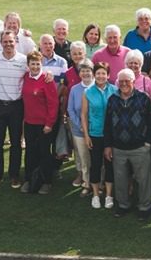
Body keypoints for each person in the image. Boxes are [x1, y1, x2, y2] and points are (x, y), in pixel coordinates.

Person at [104, 69, 151, 221]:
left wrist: (147, 143)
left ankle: (145, 207)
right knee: (120, 179)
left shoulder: (143, 98)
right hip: (118, 147)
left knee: (143, 179)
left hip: (140, 147)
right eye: (121, 81)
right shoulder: (112, 99)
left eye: (127, 81)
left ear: (134, 82)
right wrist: (108, 146)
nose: (124, 84)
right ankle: (123, 205)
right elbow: (107, 125)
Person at [0, 30, 27, 189]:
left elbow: (36, 72)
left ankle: (14, 175)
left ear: (16, 42)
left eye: (11, 41)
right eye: (5, 42)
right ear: (1, 43)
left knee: (16, 143)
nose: (8, 44)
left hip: (16, 106)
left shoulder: (24, 60)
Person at [20, 51, 59, 194]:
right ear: (28, 65)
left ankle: (46, 181)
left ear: (41, 64)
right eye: (32, 64)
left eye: (38, 64)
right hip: (29, 122)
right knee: (30, 152)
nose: (35, 66)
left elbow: (53, 104)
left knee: (44, 153)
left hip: (44, 124)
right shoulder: (25, 77)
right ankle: (29, 179)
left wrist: (49, 123)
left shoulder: (47, 80)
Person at [82, 62, 117, 209]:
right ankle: (96, 195)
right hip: (95, 134)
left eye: (104, 73)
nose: (101, 76)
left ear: (108, 75)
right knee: (95, 165)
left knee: (110, 165)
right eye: (98, 73)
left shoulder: (115, 90)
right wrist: (86, 135)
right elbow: (83, 115)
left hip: (111, 135)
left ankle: (109, 195)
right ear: (94, 75)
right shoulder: (88, 92)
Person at [39, 34, 69, 162]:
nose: (48, 46)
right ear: (40, 45)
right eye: (45, 43)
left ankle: (55, 166)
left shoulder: (62, 61)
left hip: (55, 104)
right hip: (39, 106)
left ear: (54, 45)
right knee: (42, 137)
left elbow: (63, 83)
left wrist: (53, 99)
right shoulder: (36, 61)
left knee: (55, 136)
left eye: (50, 43)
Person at [66, 59, 94, 195]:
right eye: (83, 71)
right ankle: (87, 183)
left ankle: (99, 184)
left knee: (97, 159)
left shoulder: (98, 87)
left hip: (96, 131)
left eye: (88, 70)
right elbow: (70, 110)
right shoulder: (75, 89)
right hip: (79, 131)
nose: (85, 73)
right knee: (84, 159)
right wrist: (81, 126)